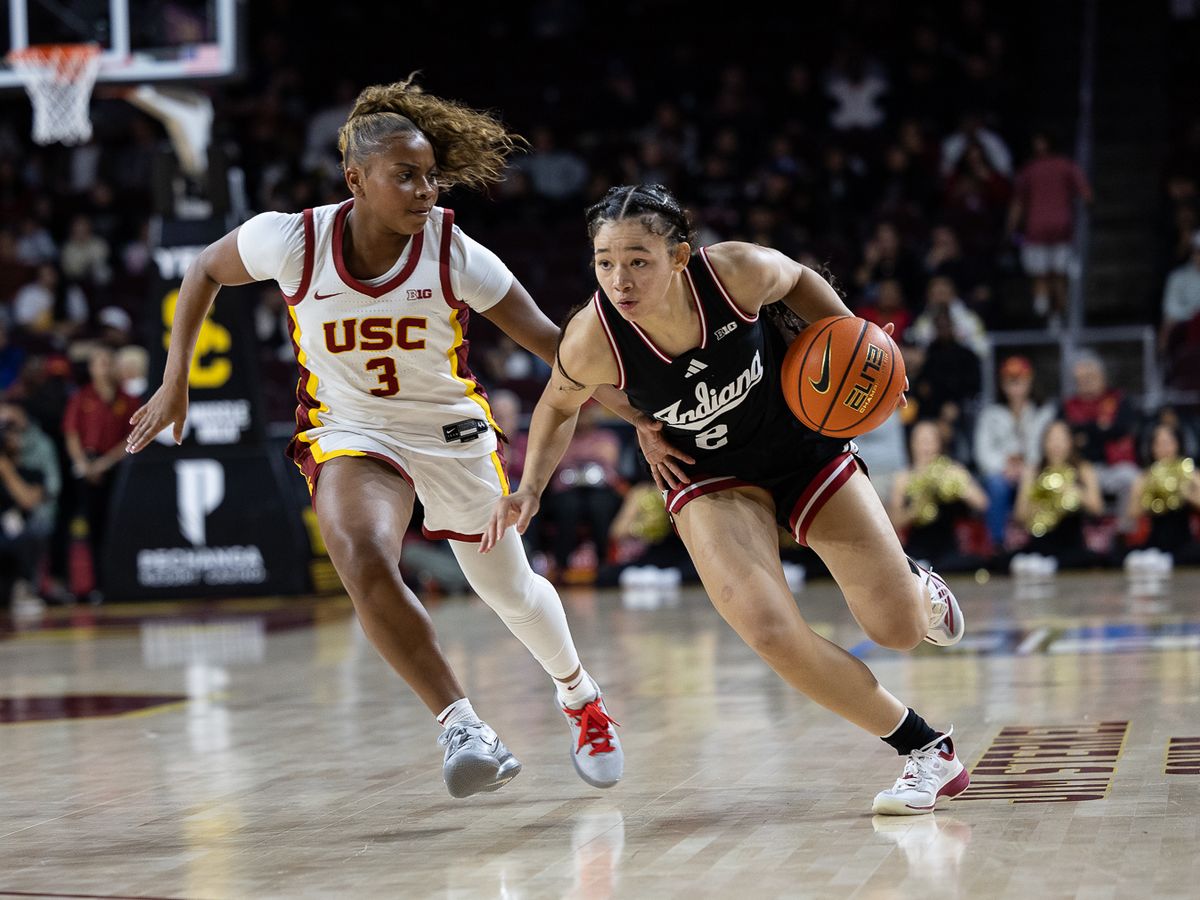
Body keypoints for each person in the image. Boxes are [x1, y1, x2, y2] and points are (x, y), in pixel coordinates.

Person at [125, 77, 654, 799]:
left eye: (432, 176)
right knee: (360, 551)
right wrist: (174, 378)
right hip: (352, 429)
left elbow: (559, 349)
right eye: (406, 176)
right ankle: (461, 723)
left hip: (450, 435)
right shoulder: (293, 237)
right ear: (356, 179)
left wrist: (645, 420)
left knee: (512, 594)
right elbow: (201, 272)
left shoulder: (453, 251)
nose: (426, 190)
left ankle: (582, 699)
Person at [484, 184, 970, 816]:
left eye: (638, 260)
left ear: (680, 257)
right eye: (604, 262)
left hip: (801, 446)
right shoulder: (592, 338)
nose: (619, 279)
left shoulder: (736, 272)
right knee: (768, 629)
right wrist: (529, 488)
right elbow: (556, 406)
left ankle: (914, 585)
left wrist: (860, 350)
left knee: (897, 630)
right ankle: (926, 749)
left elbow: (800, 282)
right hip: (706, 473)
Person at [62, 346, 139, 604]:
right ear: (92, 369)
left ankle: (118, 582)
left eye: (108, 362)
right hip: (87, 468)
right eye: (99, 363)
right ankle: (91, 586)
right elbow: (72, 433)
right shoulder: (81, 397)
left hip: (116, 466)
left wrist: (106, 463)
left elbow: (133, 436)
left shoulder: (126, 399)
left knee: (116, 525)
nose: (104, 368)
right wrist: (83, 465)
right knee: (89, 528)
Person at [1007, 132, 1093, 326]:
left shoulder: (1042, 168)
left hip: (1048, 231)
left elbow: (1017, 205)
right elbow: (1087, 196)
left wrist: (1010, 231)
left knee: (1050, 276)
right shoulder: (1040, 169)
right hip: (1049, 230)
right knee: (1050, 276)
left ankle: (1052, 315)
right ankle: (1051, 317)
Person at [974, 355, 1054, 547]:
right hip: (1002, 473)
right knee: (996, 485)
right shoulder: (990, 414)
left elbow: (1047, 446)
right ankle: (998, 544)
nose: (1016, 385)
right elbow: (982, 453)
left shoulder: (1043, 412)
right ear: (1002, 384)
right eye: (1010, 381)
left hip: (1035, 470)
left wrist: (1028, 467)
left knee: (1048, 482)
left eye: (1020, 380)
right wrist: (1005, 467)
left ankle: (1040, 543)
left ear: (1030, 381)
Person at [889, 421, 989, 572]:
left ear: (939, 445)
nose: (926, 447)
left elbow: (982, 503)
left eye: (930, 441)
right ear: (912, 445)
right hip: (916, 550)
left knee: (979, 564)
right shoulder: (903, 478)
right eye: (921, 441)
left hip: (948, 551)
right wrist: (915, 509)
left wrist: (957, 486)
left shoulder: (953, 470)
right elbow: (892, 523)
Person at [1014, 420, 1105, 568]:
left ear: (1070, 442)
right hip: (1040, 543)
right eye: (1051, 439)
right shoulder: (1033, 471)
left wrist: (1072, 490)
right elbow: (1019, 515)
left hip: (1072, 545)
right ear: (1043, 443)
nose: (1056, 445)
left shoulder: (1083, 469)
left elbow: (1098, 509)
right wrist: (1038, 504)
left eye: (1061, 439)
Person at [1125, 422, 1200, 564]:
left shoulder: (1190, 473)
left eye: (1168, 442)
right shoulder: (1145, 476)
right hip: (1156, 542)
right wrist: (1151, 494)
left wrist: (1186, 493)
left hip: (1184, 543)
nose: (1164, 448)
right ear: (1152, 448)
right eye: (1159, 444)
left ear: (1178, 444)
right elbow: (1131, 514)